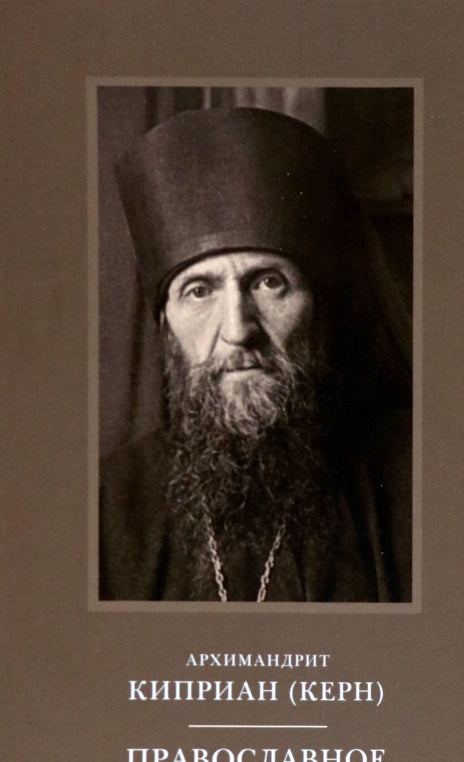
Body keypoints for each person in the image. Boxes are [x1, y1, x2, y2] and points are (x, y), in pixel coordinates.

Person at [99, 106, 412, 602]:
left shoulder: (411, 486)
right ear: (166, 327)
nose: (237, 330)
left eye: (268, 283)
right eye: (199, 291)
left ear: (318, 304)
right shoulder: (107, 507)